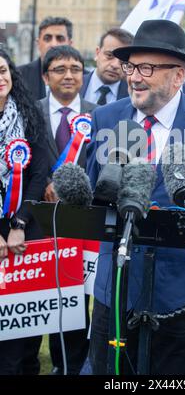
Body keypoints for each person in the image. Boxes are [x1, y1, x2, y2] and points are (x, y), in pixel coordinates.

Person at [86, 19, 185, 375]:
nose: (134, 77)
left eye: (147, 68)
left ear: (178, 76)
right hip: (116, 287)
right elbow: (95, 198)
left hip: (182, 291)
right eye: (131, 66)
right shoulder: (107, 118)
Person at [37, 45, 97, 375]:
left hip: (80, 225)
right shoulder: (29, 111)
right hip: (36, 225)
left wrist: (72, 189)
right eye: (60, 69)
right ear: (46, 76)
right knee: (35, 301)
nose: (70, 74)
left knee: (74, 304)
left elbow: (103, 165)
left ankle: (71, 366)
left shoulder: (97, 113)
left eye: (76, 68)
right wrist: (46, 183)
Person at [0, 49, 48, 375]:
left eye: (2, 70)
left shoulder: (29, 115)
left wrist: (18, 224)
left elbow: (39, 172)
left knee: (21, 333)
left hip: (24, 230)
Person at [19, 16, 73, 101]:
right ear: (38, 43)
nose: (53, 44)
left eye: (60, 38)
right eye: (47, 38)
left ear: (70, 44)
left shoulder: (83, 79)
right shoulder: (19, 75)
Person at [81, 27, 133, 105]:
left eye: (123, 61)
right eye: (109, 55)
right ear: (97, 53)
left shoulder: (132, 96)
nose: (115, 65)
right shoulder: (75, 85)